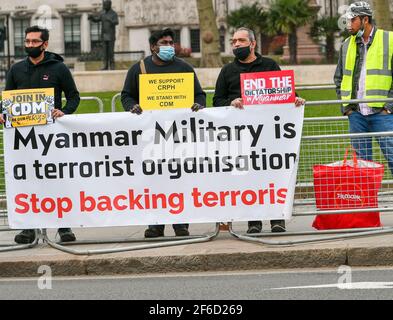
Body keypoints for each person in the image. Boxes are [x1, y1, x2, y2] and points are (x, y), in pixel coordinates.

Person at [213, 27, 305, 234]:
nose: (236, 44)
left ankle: (276, 220)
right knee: (249, 178)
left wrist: (295, 99)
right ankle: (253, 221)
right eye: (233, 41)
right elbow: (217, 100)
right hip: (241, 136)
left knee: (272, 176)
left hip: (270, 135)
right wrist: (231, 101)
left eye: (241, 41)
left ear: (253, 44)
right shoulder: (227, 71)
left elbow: (286, 92)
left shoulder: (270, 65)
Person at [121, 28, 206, 238]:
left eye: (171, 42)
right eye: (163, 42)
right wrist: (133, 107)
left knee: (179, 179)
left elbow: (200, 95)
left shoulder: (184, 68)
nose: (168, 46)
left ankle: (180, 224)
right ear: (152, 46)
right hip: (149, 136)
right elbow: (126, 96)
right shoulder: (138, 69)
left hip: (178, 135)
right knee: (153, 181)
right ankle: (155, 224)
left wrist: (198, 105)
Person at [0, 25, 80, 244]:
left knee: (57, 180)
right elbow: (6, 101)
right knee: (27, 181)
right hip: (23, 138)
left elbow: (73, 97)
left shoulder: (59, 68)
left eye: (35, 42)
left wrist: (65, 112)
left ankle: (64, 227)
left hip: (52, 137)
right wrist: (2, 113)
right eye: (27, 41)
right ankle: (29, 228)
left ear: (45, 44)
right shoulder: (16, 70)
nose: (30, 45)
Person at [334, 1, 393, 175]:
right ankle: (367, 201)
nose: (348, 25)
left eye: (352, 20)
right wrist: (347, 108)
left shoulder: (389, 40)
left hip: (382, 114)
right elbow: (339, 78)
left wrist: (388, 107)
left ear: (365, 19)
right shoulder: (346, 44)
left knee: (392, 157)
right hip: (356, 114)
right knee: (362, 166)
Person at [89, 0, 119, 70]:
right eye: (103, 5)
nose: (104, 6)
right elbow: (97, 19)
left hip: (111, 36)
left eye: (105, 5)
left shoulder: (113, 13)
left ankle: (112, 65)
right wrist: (92, 18)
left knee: (111, 52)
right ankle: (105, 65)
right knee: (104, 53)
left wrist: (109, 19)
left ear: (109, 5)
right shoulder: (102, 13)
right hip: (104, 36)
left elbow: (116, 22)